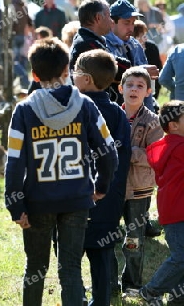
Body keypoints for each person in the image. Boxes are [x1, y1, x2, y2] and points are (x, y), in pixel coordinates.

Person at [5, 37, 118, 306]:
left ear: (33, 74)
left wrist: (15, 205)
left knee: (35, 269)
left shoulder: (22, 110)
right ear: (67, 70)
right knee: (70, 269)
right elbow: (109, 151)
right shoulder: (86, 105)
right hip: (77, 199)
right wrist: (101, 185)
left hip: (37, 201)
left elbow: (14, 162)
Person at [73, 49, 132, 306]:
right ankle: (101, 301)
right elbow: (123, 157)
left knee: (70, 259)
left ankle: (76, 299)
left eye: (75, 73)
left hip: (72, 200)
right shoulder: (118, 114)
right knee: (103, 257)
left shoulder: (71, 110)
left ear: (85, 79)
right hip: (108, 198)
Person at [117, 67, 164, 294]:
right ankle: (108, 282)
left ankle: (132, 283)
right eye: (130, 85)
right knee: (105, 234)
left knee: (134, 237)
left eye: (140, 86)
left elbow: (155, 156)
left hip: (139, 189)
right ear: (120, 88)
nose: (134, 89)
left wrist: (129, 151)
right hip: (113, 186)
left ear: (148, 91)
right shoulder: (112, 115)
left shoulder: (153, 122)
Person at [140, 100, 184, 306]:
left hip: (172, 212)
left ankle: (176, 300)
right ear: (173, 126)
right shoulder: (179, 147)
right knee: (181, 257)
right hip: (178, 212)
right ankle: (151, 290)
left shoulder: (172, 146)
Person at [105, 0, 159, 111]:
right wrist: (141, 71)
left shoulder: (135, 45)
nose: (131, 28)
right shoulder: (103, 45)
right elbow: (106, 75)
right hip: (114, 113)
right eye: (126, 22)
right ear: (112, 22)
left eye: (133, 23)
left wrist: (150, 115)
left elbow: (147, 89)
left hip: (139, 116)